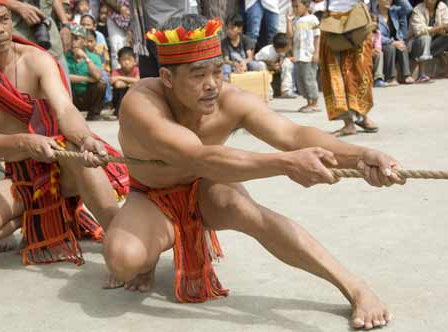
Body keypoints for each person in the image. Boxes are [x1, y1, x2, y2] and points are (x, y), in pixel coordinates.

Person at [105, 14, 404, 330]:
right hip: (151, 196)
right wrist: (286, 164)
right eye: (198, 74)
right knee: (124, 261)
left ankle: (356, 288)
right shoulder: (141, 102)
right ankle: (153, 243)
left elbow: (293, 135)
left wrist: (361, 155)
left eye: (217, 71)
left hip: (204, 188)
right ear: (167, 77)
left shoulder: (231, 100)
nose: (211, 84)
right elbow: (199, 156)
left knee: (246, 210)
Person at [0, 0, 129, 266]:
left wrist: (85, 139)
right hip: (21, 177)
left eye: (4, 19)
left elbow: (65, 110)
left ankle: (120, 243)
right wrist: (27, 142)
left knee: (80, 153)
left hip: (63, 165)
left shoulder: (37, 59)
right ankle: (28, 218)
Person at [319, 0, 379, 137]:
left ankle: (362, 116)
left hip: (357, 20)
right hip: (332, 22)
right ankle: (348, 124)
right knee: (335, 75)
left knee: (361, 72)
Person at [66, 25, 106, 121]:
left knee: (101, 85)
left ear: (84, 41)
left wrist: (85, 57)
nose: (73, 42)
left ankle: (94, 114)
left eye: (76, 39)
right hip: (73, 96)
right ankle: (67, 114)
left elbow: (97, 76)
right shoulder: (65, 57)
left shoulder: (93, 57)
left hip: (88, 95)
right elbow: (64, 76)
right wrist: (87, 79)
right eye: (70, 39)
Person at [288, 0, 321, 113]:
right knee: (301, 80)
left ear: (306, 6)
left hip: (308, 55)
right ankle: (308, 102)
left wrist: (316, 53)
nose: (294, 9)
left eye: (297, 6)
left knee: (309, 79)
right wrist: (288, 21)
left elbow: (317, 37)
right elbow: (290, 36)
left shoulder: (313, 19)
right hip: (298, 56)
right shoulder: (296, 20)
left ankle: (315, 103)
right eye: (293, 6)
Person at [377, 0, 415, 85]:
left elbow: (408, 8)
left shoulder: (394, 11)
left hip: (395, 41)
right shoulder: (374, 15)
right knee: (390, 47)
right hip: (381, 43)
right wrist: (392, 42)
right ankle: (391, 78)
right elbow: (376, 36)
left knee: (401, 45)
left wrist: (399, 40)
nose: (388, 1)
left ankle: (406, 75)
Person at [409, 0, 448, 82]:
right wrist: (438, 28)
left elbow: (446, 24)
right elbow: (419, 31)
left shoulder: (442, 7)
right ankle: (421, 74)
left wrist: (442, 28)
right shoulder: (417, 9)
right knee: (426, 38)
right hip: (417, 42)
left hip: (435, 40)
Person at [221, 14, 266, 80]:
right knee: (225, 68)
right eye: (227, 28)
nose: (228, 31)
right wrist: (235, 64)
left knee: (257, 65)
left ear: (240, 29)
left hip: (245, 65)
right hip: (232, 66)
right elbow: (226, 60)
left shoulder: (245, 39)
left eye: (232, 28)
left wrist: (244, 62)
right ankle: (227, 85)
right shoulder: (224, 42)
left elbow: (250, 57)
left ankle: (261, 84)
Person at [255, 32, 297, 98]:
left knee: (288, 62)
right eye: (288, 46)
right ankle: (268, 92)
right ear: (281, 48)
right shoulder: (266, 51)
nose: (289, 47)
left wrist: (281, 62)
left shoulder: (284, 51)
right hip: (266, 68)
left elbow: (284, 58)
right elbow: (256, 60)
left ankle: (286, 90)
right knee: (261, 65)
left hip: (277, 68)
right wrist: (270, 64)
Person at [110, 46, 139, 117]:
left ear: (135, 61)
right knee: (121, 90)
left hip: (133, 97)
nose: (126, 62)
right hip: (119, 98)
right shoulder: (116, 71)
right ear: (119, 61)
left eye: (129, 59)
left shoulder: (136, 70)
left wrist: (120, 78)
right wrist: (130, 83)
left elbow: (138, 80)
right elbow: (118, 85)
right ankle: (118, 111)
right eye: (124, 59)